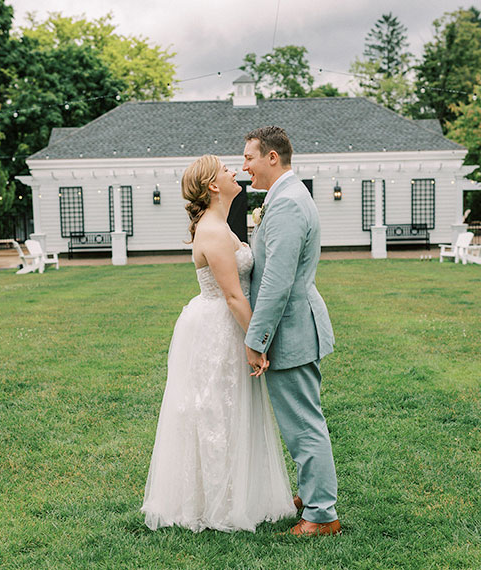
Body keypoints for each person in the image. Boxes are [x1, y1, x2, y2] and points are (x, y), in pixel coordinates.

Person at [141, 155, 296, 532]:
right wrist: (257, 341)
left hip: (223, 324)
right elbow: (233, 296)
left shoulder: (219, 225)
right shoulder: (212, 230)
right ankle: (219, 502)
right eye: (226, 170)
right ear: (213, 185)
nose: (234, 172)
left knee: (228, 407)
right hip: (218, 328)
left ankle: (239, 492)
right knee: (216, 410)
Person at [242, 126, 340, 536]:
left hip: (292, 330)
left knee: (303, 424)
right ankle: (311, 491)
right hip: (298, 324)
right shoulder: (287, 196)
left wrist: (255, 340)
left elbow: (276, 283)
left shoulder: (286, 205)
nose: (243, 165)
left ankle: (321, 515)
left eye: (248, 157)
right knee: (302, 421)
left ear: (271, 158)